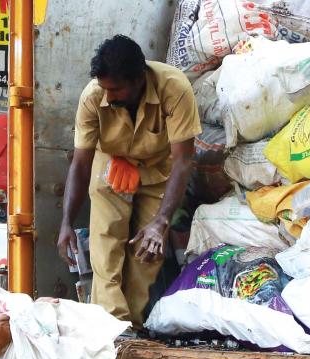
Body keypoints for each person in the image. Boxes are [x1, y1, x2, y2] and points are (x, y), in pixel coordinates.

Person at [57, 35, 202, 331]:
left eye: (115, 89)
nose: (108, 96)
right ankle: (110, 330)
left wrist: (161, 222)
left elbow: (183, 161)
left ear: (138, 79)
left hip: (160, 172)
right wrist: (66, 222)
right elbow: (81, 162)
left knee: (146, 254)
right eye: (104, 88)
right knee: (106, 248)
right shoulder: (93, 96)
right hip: (111, 166)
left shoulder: (174, 87)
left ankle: (130, 328)